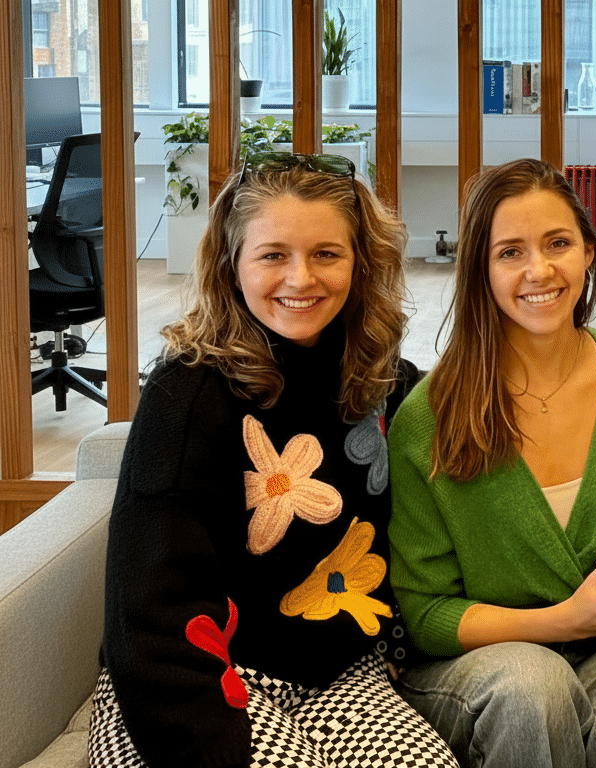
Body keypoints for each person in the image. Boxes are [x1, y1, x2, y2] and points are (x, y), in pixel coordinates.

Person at [91, 153, 458, 767]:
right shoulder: (185, 396)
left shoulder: (374, 378)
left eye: (326, 254)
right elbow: (150, 613)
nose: (301, 278)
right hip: (196, 675)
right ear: (232, 267)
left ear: (360, 263)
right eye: (273, 255)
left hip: (336, 672)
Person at [388, 158, 596, 768]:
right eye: (510, 252)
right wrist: (562, 622)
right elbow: (425, 614)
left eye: (558, 243)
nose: (539, 270)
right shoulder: (429, 418)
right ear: (481, 269)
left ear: (589, 251)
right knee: (536, 689)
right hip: (481, 663)